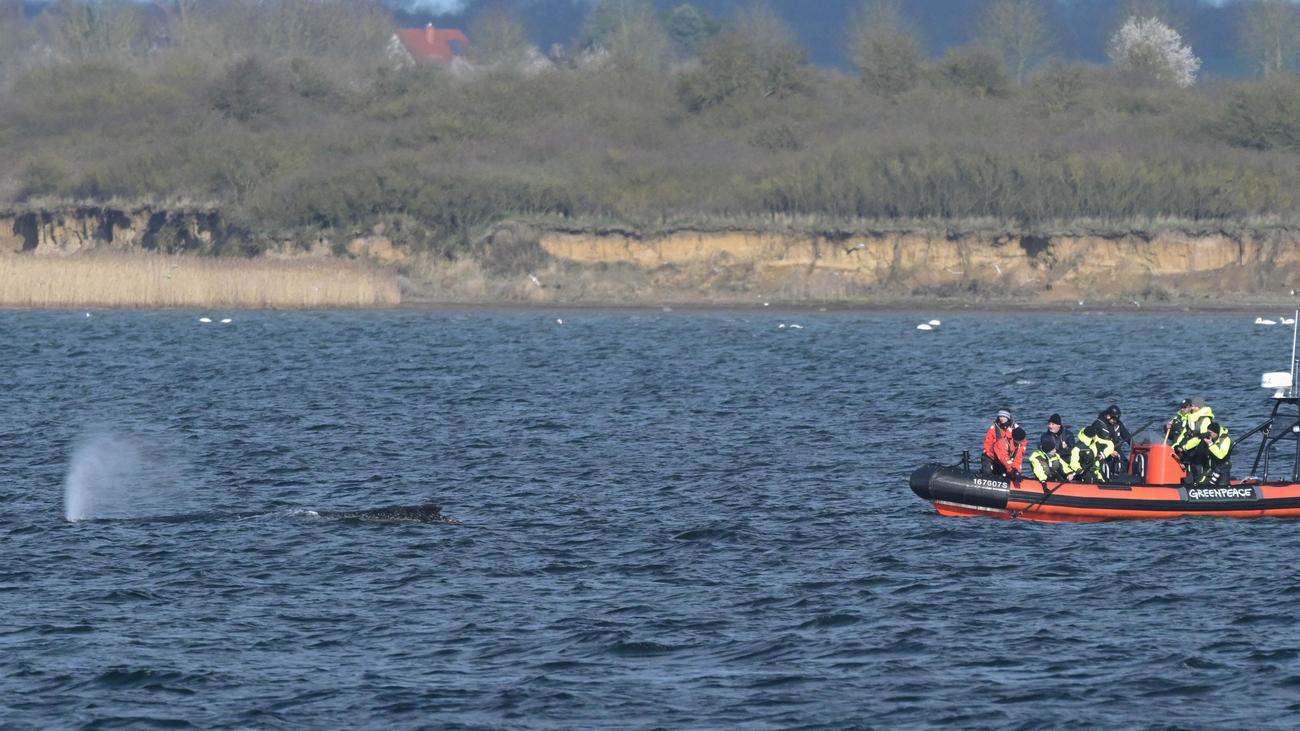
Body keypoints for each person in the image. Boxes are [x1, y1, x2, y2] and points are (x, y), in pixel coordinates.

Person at [1188, 421, 1232, 486]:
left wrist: (1210, 444)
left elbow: (1221, 455)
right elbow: (1196, 444)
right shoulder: (1210, 438)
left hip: (1223, 467)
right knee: (1203, 482)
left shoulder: (1224, 439)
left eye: (1210, 432)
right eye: (1207, 432)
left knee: (1222, 485)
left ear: (1215, 433)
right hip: (1212, 467)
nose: (1208, 434)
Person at [981, 409, 1016, 474]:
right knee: (987, 472)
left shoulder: (1014, 428)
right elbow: (988, 443)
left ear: (1008, 417)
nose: (1001, 418)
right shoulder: (993, 428)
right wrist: (990, 453)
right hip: (992, 456)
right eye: (1000, 416)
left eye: (1004, 416)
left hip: (1006, 457)